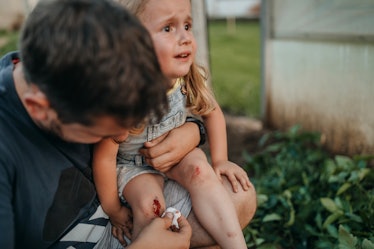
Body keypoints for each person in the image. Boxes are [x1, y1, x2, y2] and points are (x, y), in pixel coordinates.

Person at [0, 0, 200, 248]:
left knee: (234, 201)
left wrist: (194, 130)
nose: (122, 136)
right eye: (101, 131)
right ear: (39, 108)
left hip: (119, 204)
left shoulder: (61, 72)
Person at [92, 0, 255, 248]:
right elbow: (104, 158)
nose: (185, 38)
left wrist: (220, 160)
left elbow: (213, 113)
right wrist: (114, 209)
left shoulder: (189, 77)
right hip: (134, 167)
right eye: (168, 28)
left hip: (179, 155)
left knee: (202, 170)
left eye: (187, 25)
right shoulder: (124, 99)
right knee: (149, 205)